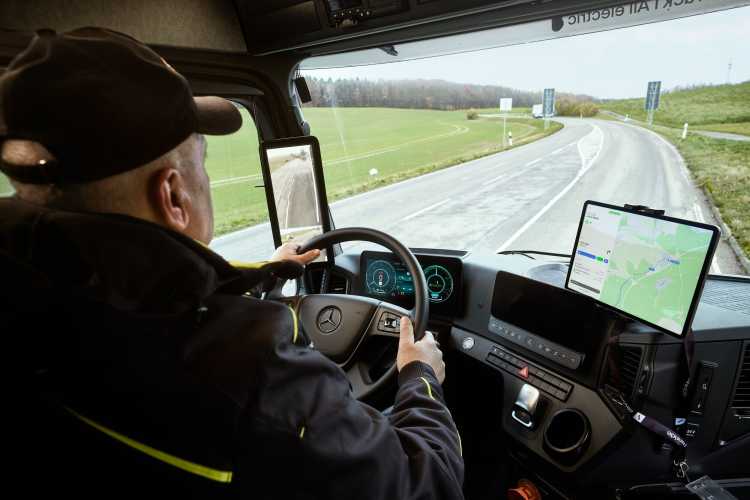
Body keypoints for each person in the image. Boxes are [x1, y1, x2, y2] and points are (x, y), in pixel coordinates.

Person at [0, 28, 464, 498]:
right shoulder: (251, 376)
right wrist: (418, 377)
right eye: (202, 162)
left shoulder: (32, 295)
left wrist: (267, 271)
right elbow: (422, 485)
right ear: (174, 195)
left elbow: (144, 284)